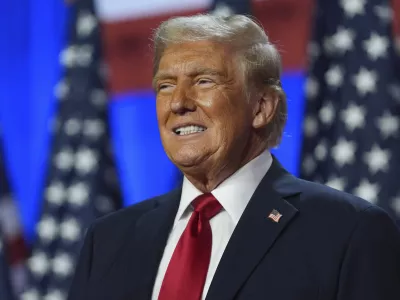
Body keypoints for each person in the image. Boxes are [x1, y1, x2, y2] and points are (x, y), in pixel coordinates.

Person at [67, 14, 400, 300]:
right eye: (165, 86)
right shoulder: (108, 241)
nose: (178, 103)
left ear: (261, 107)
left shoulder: (348, 232)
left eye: (204, 81)